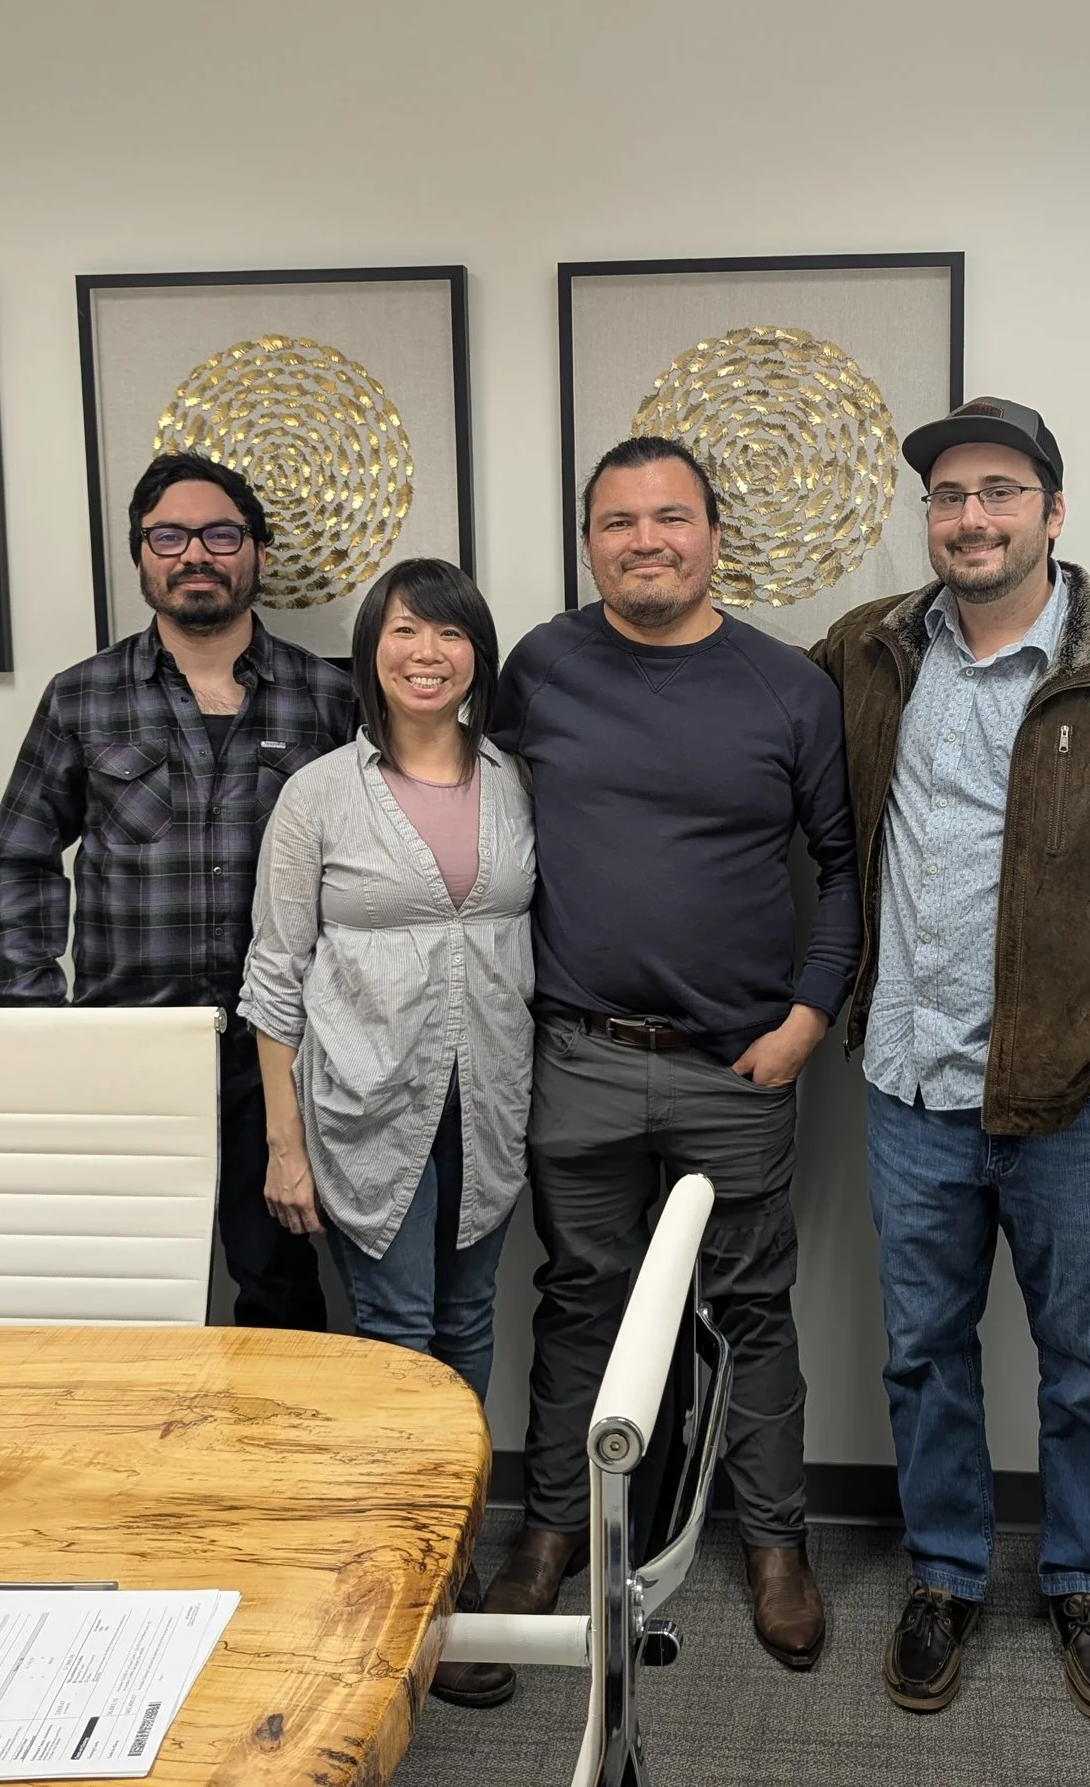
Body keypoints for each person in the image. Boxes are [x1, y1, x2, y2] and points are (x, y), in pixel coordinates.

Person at [810, 397, 1090, 1724]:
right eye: (946, 495)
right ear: (925, 518)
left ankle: (1085, 1582)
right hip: (910, 1085)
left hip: (1072, 1104)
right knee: (924, 1352)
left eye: (998, 490)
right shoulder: (867, 655)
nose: (970, 515)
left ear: (1052, 511)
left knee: (1085, 1362)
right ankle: (943, 1571)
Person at [453, 435, 861, 1702]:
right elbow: (461, 789)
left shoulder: (788, 687)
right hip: (574, 1054)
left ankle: (777, 1547)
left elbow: (843, 868)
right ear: (590, 544)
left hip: (733, 1067)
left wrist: (806, 1020)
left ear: (712, 536)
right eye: (618, 522)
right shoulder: (542, 667)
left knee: (750, 1314)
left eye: (668, 518)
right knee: (580, 1302)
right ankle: (549, 1537)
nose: (645, 541)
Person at [237, 556, 534, 1705]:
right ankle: (404, 1604)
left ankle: (447, 1571)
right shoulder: (319, 792)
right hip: (363, 1108)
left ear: (476, 654)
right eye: (405, 632)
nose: (427, 653)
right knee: (398, 1342)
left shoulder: (516, 780)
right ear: (371, 651)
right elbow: (274, 973)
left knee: (466, 1335)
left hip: (491, 1100)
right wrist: (284, 1143)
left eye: (449, 634)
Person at [0, 450, 354, 1333]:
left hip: (282, 1057)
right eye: (169, 536)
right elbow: (15, 865)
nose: (196, 555)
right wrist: (41, 1029)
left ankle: (270, 1466)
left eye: (221, 534)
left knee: (283, 1284)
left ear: (256, 551)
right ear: (141, 555)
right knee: (124, 1289)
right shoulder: (84, 699)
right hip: (130, 1052)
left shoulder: (327, 701)